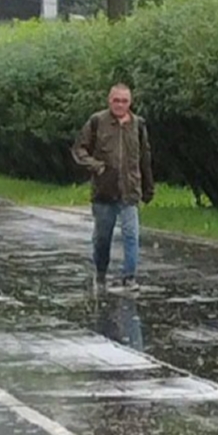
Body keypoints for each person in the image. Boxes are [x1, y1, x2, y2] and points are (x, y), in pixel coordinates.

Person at [71, 83, 154, 291]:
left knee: (131, 234)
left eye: (124, 101)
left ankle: (130, 277)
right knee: (102, 238)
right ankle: (100, 274)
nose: (120, 104)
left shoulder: (138, 125)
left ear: (130, 102)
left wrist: (148, 187)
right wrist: (96, 166)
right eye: (116, 100)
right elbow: (79, 149)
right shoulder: (97, 121)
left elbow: (145, 158)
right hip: (104, 192)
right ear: (109, 100)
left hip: (129, 191)